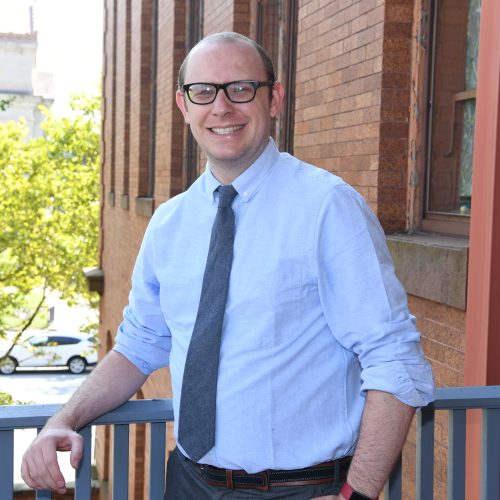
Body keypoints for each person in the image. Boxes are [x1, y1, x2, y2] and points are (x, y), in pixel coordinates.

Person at [21, 32, 434, 500]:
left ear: (274, 99)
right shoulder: (169, 224)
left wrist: (356, 496)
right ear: (184, 105)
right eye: (203, 91)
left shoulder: (328, 209)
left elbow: (395, 358)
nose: (221, 107)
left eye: (241, 88)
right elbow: (138, 346)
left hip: (299, 489)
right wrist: (64, 418)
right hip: (188, 482)